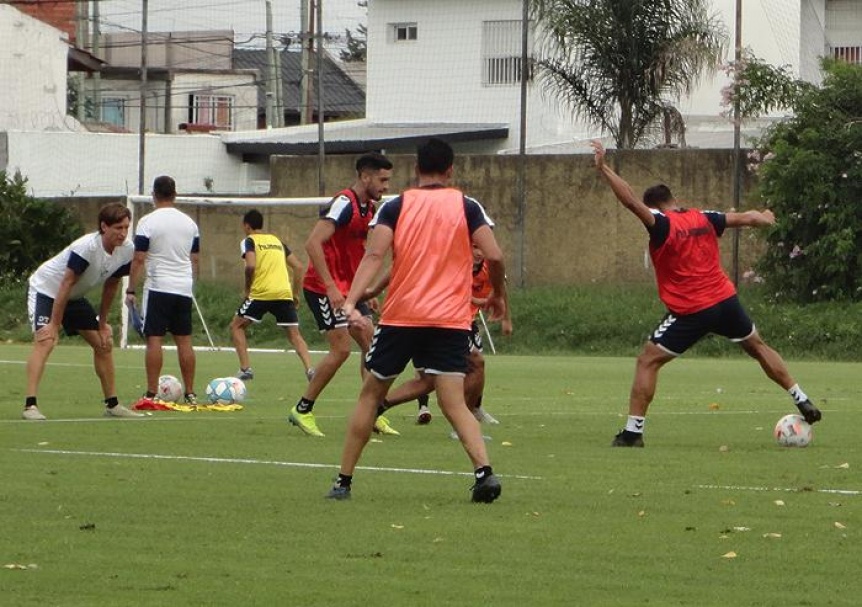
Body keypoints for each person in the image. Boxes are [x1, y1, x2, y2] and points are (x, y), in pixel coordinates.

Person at [590, 140, 822, 448]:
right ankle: (800, 397)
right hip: (726, 301)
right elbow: (748, 218)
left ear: (655, 207)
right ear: (674, 199)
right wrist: (766, 216)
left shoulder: (660, 223)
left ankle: (632, 433)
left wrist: (604, 168)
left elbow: (631, 201)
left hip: (692, 309)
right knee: (757, 345)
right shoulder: (704, 216)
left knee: (647, 361)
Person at [326, 137, 507, 503]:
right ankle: (484, 473)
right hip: (449, 320)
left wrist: (351, 299)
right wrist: (497, 294)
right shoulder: (467, 205)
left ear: (416, 169)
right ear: (451, 169)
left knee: (370, 395)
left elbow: (375, 255)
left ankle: (343, 482)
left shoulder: (396, 205)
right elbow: (495, 254)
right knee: (453, 402)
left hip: (402, 318)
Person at [288, 152, 397, 438]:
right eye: (382, 180)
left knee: (372, 345)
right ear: (365, 177)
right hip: (323, 288)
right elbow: (313, 244)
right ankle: (302, 409)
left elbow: (360, 253)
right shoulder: (344, 203)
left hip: (349, 289)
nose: (386, 186)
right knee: (341, 350)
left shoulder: (370, 209)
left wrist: (364, 290)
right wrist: (331, 286)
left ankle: (371, 411)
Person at [22, 202, 142, 420]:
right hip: (47, 291)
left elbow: (112, 284)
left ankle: (112, 405)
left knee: (103, 344)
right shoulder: (87, 247)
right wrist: (54, 325)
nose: (123, 233)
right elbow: (65, 284)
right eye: (118, 228)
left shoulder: (127, 250)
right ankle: (30, 406)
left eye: (126, 227)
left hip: (74, 297)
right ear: (104, 227)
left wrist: (102, 323)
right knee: (46, 341)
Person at [374, 243, 513, 427]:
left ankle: (377, 407)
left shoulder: (488, 266)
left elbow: (501, 289)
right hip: (435, 322)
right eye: (474, 247)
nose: (479, 252)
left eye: (481, 248)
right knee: (474, 364)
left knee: (429, 380)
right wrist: (479, 300)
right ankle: (464, 419)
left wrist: (506, 318)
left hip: (446, 321)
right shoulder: (451, 261)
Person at [127, 175, 201, 409]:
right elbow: (195, 259)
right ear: (175, 194)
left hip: (159, 286)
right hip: (183, 287)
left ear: (154, 195)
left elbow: (139, 258)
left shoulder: (147, 222)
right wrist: (190, 283)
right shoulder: (190, 223)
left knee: (154, 338)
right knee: (184, 341)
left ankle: (151, 393)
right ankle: (190, 393)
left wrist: (130, 289)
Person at [230, 209, 314, 381]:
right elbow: (298, 267)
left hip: (260, 293)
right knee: (294, 334)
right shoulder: (277, 242)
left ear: (246, 226)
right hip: (283, 293)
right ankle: (310, 369)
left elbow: (251, 266)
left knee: (236, 326)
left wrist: (247, 290)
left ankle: (246, 369)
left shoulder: (249, 241)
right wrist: (295, 294)